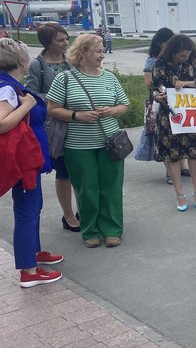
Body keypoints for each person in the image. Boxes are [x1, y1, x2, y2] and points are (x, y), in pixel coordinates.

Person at [46, 33, 129, 248]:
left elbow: (124, 105)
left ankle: (112, 229)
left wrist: (111, 110)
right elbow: (52, 109)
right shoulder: (64, 78)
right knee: (86, 189)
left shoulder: (110, 77)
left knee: (111, 188)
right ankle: (90, 230)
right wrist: (77, 115)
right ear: (83, 52)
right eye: (98, 51)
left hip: (110, 142)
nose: (102, 55)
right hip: (77, 146)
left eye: (102, 51)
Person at [0, 39, 64, 287]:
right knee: (27, 211)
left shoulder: (11, 85)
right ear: (21, 61)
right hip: (21, 160)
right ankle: (29, 271)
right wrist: (27, 105)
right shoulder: (7, 88)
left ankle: (33, 253)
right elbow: (2, 123)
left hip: (27, 158)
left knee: (32, 207)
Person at [25, 22, 79, 232]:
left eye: (66, 38)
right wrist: (57, 99)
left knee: (79, 169)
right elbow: (31, 94)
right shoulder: (37, 65)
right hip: (55, 125)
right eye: (60, 40)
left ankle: (83, 209)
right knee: (64, 171)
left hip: (76, 121)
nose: (66, 43)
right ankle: (67, 214)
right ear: (48, 43)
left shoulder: (70, 61)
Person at [151, 34, 196, 211]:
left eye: (187, 54)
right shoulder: (160, 65)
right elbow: (154, 89)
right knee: (173, 155)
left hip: (191, 115)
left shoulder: (192, 63)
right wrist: (157, 95)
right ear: (172, 52)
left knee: (194, 153)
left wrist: (185, 83)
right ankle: (179, 194)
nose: (185, 58)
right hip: (168, 115)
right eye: (181, 55)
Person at [134, 28, 190, 182]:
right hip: (159, 102)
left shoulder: (175, 59)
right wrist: (164, 89)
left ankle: (182, 167)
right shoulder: (152, 61)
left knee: (180, 133)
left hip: (177, 100)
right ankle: (170, 172)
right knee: (164, 138)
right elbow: (149, 83)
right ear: (160, 43)